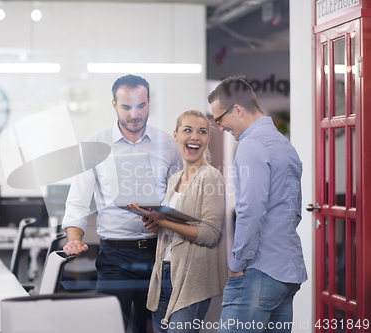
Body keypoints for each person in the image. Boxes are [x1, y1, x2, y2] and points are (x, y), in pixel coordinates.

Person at [61, 74, 182, 333]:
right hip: (115, 257)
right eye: (126, 107)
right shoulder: (94, 146)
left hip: (159, 254)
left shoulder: (169, 145)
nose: (134, 114)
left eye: (141, 105)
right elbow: (77, 203)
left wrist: (165, 222)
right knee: (109, 326)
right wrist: (73, 237)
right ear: (114, 105)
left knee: (152, 328)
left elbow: (180, 199)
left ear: (150, 102)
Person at [207, 76, 307, 332]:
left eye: (219, 119)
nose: (219, 127)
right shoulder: (284, 145)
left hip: (259, 272)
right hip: (287, 271)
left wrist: (236, 264)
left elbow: (250, 212)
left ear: (238, 109)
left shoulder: (251, 146)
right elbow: (294, 212)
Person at [128, 110, 227, 333]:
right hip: (163, 273)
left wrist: (163, 220)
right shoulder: (174, 178)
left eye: (202, 132)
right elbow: (170, 227)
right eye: (187, 130)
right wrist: (154, 223)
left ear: (207, 139)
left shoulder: (210, 177)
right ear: (176, 135)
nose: (195, 136)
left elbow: (210, 234)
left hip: (191, 278)